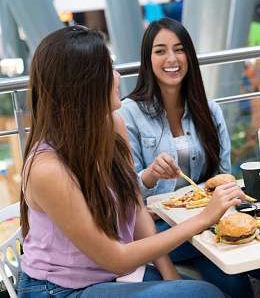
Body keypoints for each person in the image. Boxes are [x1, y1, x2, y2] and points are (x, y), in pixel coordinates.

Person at [17, 25, 245, 297]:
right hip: (59, 290)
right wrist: (204, 218)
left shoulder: (112, 124)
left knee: (229, 283)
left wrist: (168, 271)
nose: (117, 76)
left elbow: (134, 206)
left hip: (112, 275)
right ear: (82, 85)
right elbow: (116, 257)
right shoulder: (47, 170)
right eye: (108, 68)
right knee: (204, 294)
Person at [118, 18, 253, 298]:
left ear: (189, 56)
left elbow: (223, 175)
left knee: (238, 285)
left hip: (206, 221)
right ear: (148, 59)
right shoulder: (128, 113)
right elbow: (125, 189)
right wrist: (151, 174)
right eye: (160, 51)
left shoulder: (209, 109)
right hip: (155, 228)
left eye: (179, 49)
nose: (172, 59)